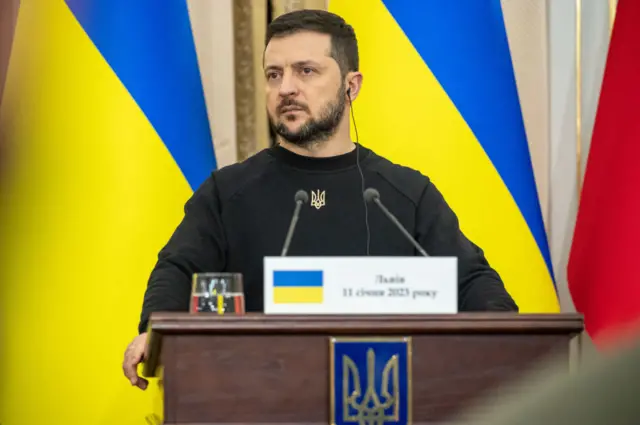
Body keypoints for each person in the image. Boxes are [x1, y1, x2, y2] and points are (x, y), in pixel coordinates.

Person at [122, 9, 518, 389]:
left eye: (306, 71)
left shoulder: (405, 195)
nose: (286, 88)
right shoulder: (228, 193)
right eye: (274, 75)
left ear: (352, 85)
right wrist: (152, 330)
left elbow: (472, 283)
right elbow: (177, 269)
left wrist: (505, 341)